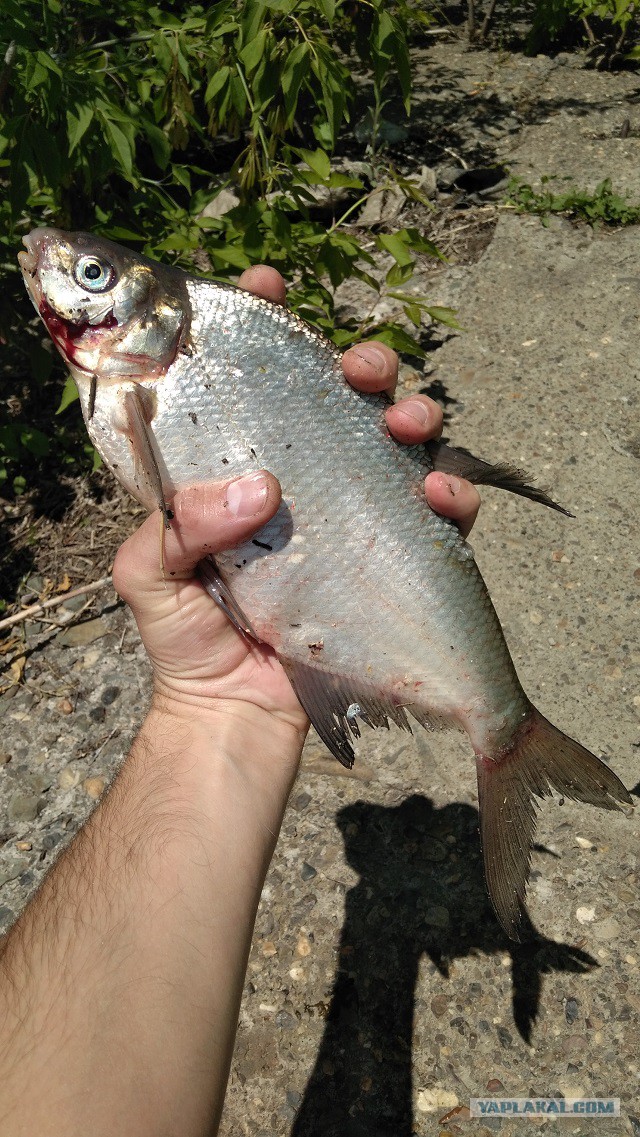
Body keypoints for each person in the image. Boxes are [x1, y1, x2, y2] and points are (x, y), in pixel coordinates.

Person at [0, 266, 480, 1136]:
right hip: (250, 657)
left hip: (258, 661)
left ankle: (498, 719)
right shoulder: (135, 374)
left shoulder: (163, 361)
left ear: (157, 311)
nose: (53, 267)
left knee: (377, 425)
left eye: (94, 275)